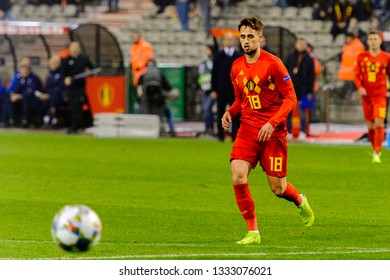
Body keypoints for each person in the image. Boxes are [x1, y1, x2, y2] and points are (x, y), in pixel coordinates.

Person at [221, 16, 314, 245]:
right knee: (238, 175)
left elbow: (290, 98)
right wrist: (229, 113)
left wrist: (272, 123)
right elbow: (241, 101)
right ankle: (253, 232)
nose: (245, 41)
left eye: (250, 37)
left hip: (273, 133)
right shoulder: (236, 67)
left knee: (278, 188)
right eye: (242, 37)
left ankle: (300, 201)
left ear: (260, 38)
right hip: (248, 130)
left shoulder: (274, 64)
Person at [354, 31, 390, 163]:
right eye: (371, 39)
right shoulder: (361, 57)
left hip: (380, 95)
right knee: (370, 125)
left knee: (379, 121)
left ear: (380, 41)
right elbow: (356, 75)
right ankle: (374, 147)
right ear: (367, 42)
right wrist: (360, 87)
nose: (373, 42)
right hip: (366, 96)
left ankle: (377, 152)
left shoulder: (386, 57)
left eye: (375, 39)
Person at [211, 32, 242, 142]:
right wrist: (214, 89)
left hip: (235, 90)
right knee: (220, 112)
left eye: (230, 40)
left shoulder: (239, 56)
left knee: (236, 114)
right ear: (223, 41)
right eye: (227, 40)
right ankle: (220, 135)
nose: (229, 42)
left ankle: (235, 136)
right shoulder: (218, 56)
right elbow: (214, 74)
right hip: (221, 89)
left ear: (233, 41)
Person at [284, 37, 315, 140]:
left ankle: (302, 131)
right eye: (299, 43)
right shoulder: (290, 57)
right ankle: (287, 131)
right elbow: (284, 72)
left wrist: (310, 91)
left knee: (302, 112)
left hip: (303, 89)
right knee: (288, 111)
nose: (301, 46)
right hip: (290, 89)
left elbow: (312, 76)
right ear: (295, 44)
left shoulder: (309, 59)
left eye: (303, 44)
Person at [60, 41, 94, 134]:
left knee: (79, 106)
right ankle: (74, 126)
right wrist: (65, 79)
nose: (75, 49)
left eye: (77, 47)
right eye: (73, 47)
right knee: (73, 107)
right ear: (70, 49)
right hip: (71, 88)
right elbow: (63, 74)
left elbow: (92, 69)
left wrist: (89, 73)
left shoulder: (84, 59)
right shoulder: (66, 60)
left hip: (81, 87)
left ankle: (79, 126)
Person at [137, 59, 176, 136]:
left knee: (137, 108)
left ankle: (138, 129)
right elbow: (169, 89)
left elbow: (139, 92)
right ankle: (172, 131)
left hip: (146, 106)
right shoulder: (161, 75)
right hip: (159, 105)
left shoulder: (142, 76)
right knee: (169, 112)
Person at [37, 56, 67, 128]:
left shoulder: (62, 74)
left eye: (55, 63)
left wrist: (50, 94)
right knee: (37, 100)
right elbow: (46, 87)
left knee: (53, 99)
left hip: (58, 97)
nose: (53, 64)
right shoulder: (49, 75)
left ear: (58, 64)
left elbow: (61, 88)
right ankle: (45, 118)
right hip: (48, 96)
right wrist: (43, 94)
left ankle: (51, 119)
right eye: (51, 63)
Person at [337, 30, 365, 97]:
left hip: (353, 71)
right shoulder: (347, 46)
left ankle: (341, 96)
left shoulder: (358, 45)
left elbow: (359, 58)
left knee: (349, 86)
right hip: (347, 71)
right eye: (347, 37)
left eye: (349, 37)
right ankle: (342, 96)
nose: (347, 39)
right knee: (349, 85)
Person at [197, 44, 215, 136]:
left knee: (207, 109)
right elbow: (200, 77)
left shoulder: (213, 61)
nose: (206, 52)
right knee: (206, 110)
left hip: (211, 90)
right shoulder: (203, 63)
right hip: (203, 90)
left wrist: (214, 90)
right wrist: (200, 89)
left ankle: (210, 129)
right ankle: (208, 128)